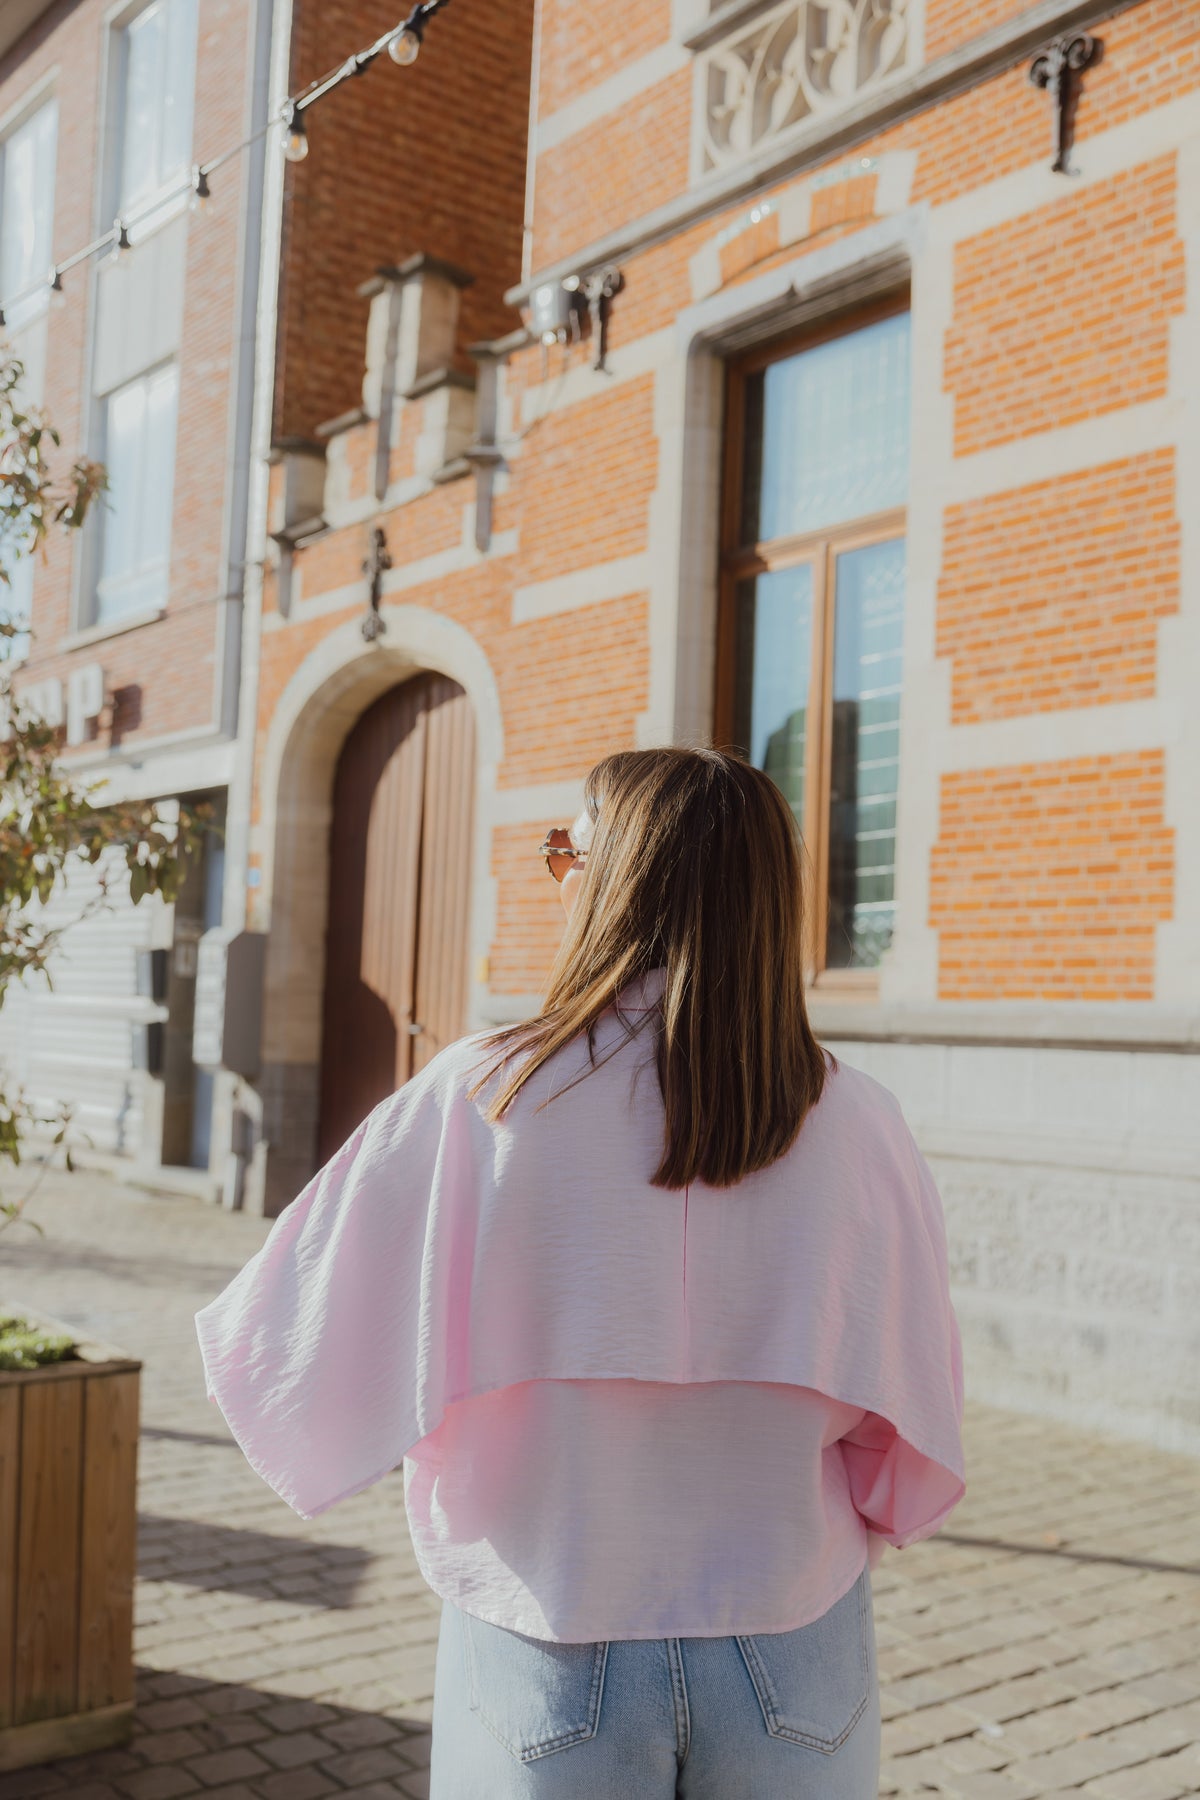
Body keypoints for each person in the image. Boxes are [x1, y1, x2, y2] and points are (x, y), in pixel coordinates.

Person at [196, 746, 966, 1799]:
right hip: (792, 1627)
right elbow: (910, 1429)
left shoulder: (484, 1097)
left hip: (548, 1615)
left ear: (612, 883)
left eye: (568, 853)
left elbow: (286, 1351)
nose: (560, 877)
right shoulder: (857, 1117)